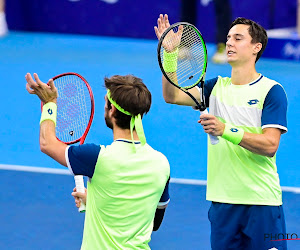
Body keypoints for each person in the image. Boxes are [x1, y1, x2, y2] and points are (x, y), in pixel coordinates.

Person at [155, 14, 288, 250]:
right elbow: (172, 95)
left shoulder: (272, 91)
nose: (229, 43)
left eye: (238, 38)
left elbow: (270, 145)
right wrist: (170, 54)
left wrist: (225, 129)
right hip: (222, 203)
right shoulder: (215, 87)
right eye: (228, 38)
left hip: (261, 203)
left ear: (256, 47)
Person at [25, 73, 170, 249]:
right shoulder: (162, 164)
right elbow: (153, 223)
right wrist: (95, 202)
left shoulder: (96, 157)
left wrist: (50, 103)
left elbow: (47, 143)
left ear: (112, 110)